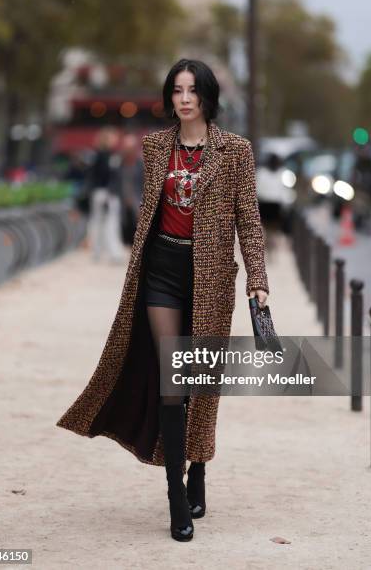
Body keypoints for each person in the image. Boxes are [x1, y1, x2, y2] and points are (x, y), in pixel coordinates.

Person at [56, 59, 270, 542]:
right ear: (170, 96)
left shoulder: (235, 151)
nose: (185, 98)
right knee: (174, 379)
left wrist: (258, 280)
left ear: (207, 96)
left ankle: (197, 467)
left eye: (193, 90)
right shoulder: (155, 147)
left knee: (202, 383)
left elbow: (250, 220)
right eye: (177, 89)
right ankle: (176, 496)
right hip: (161, 272)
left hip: (211, 277)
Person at [87, 127, 127, 263]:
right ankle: (113, 253)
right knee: (110, 223)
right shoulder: (106, 156)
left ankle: (97, 252)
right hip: (106, 193)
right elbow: (109, 176)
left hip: (100, 192)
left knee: (98, 222)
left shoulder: (99, 155)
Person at [118, 131, 144, 246]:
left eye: (130, 146)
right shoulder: (119, 163)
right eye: (126, 146)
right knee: (124, 227)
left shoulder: (140, 164)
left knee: (136, 228)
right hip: (122, 201)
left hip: (137, 201)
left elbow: (145, 183)